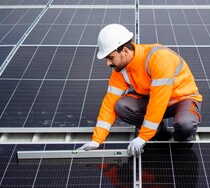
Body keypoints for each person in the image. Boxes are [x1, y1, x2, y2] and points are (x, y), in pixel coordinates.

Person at [78, 24, 202, 157]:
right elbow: (109, 103)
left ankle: (179, 143)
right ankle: (160, 133)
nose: (108, 63)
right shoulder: (120, 69)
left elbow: (158, 101)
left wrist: (143, 136)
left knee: (185, 125)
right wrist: (97, 140)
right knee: (121, 106)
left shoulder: (159, 58)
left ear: (125, 51)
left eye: (110, 57)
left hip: (181, 100)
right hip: (152, 100)